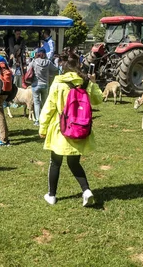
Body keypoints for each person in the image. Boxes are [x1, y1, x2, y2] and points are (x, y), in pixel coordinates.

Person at [39, 53, 103, 206]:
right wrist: (94, 82)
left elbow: (49, 107)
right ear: (79, 65)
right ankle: (86, 190)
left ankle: (52, 195)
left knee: (55, 162)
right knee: (74, 163)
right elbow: (98, 100)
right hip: (80, 129)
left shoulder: (58, 83)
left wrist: (43, 127)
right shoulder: (86, 82)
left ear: (63, 66)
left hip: (61, 130)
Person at [28, 48, 58, 126]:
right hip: (45, 84)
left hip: (35, 85)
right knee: (45, 102)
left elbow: (28, 69)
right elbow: (55, 69)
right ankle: (45, 118)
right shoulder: (48, 62)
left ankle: (37, 120)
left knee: (37, 103)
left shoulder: (34, 62)